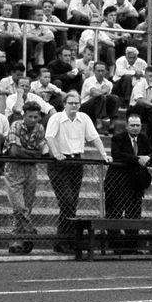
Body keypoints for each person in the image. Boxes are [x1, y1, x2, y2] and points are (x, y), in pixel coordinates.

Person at [45, 91, 109, 254]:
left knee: (71, 202)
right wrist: (57, 153)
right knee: (66, 201)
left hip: (77, 162)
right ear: (64, 104)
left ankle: (66, 241)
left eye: (77, 103)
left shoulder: (84, 118)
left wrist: (104, 154)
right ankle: (66, 240)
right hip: (59, 164)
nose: (74, 105)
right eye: (71, 103)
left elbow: (94, 137)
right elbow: (50, 136)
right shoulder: (56, 118)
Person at [105, 112, 152, 251]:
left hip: (135, 184)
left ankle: (131, 247)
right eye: (132, 125)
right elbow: (117, 154)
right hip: (116, 184)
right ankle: (115, 247)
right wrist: (138, 158)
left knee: (134, 214)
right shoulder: (118, 138)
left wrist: (148, 158)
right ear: (126, 126)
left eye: (138, 125)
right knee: (115, 215)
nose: (135, 128)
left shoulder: (143, 138)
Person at [5, 98, 48, 255]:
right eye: (30, 116)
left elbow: (39, 154)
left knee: (26, 206)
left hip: (30, 169)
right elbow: (14, 152)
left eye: (35, 117)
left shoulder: (40, 129)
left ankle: (17, 242)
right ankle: (29, 231)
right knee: (18, 205)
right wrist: (32, 153)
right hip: (14, 168)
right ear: (24, 115)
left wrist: (27, 153)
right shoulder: (16, 125)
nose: (32, 120)